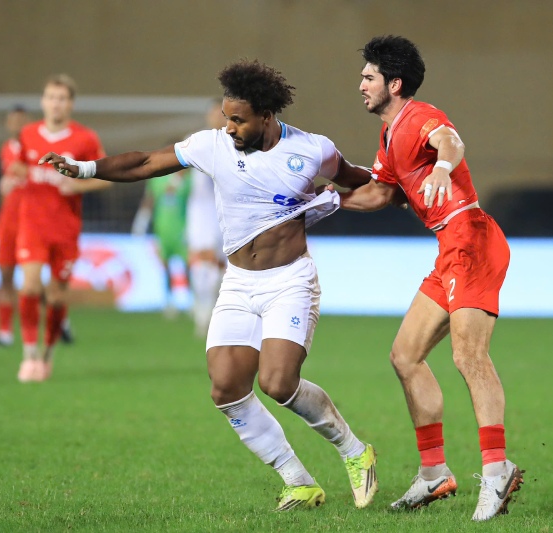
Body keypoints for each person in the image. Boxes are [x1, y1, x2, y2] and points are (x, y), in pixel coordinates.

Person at [40, 60, 378, 511]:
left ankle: (356, 452)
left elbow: (362, 183)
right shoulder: (212, 145)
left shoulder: (312, 151)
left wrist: (353, 198)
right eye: (226, 117)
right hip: (238, 282)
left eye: (238, 119)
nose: (229, 127)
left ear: (266, 115)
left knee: (278, 383)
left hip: (290, 281)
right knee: (226, 387)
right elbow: (145, 162)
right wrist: (82, 169)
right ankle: (297, 480)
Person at [337, 35, 522, 521]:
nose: (360, 85)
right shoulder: (389, 133)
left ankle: (497, 469)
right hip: (450, 248)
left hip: (473, 239)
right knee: (405, 355)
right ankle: (435, 473)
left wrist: (443, 165)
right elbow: (381, 195)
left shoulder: (418, 117)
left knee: (469, 355)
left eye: (368, 77)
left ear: (394, 84)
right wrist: (321, 203)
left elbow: (452, 142)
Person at [14, 74, 110, 382]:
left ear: (71, 104)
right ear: (43, 101)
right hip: (32, 225)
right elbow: (17, 166)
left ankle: (46, 355)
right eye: (50, 97)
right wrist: (12, 175)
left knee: (56, 296)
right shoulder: (27, 134)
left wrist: (79, 186)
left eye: (62, 98)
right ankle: (28, 355)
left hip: (65, 229)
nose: (55, 103)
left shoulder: (85, 139)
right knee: (29, 286)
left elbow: (107, 175)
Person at [186, 99, 227, 336]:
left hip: (226, 212)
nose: (218, 117)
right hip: (201, 213)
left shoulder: (238, 142)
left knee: (223, 267)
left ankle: (217, 311)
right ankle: (202, 309)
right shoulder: (196, 141)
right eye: (214, 113)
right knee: (202, 263)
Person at [0, 105, 30, 347]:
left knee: (32, 281)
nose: (16, 124)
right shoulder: (6, 149)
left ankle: (59, 319)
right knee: (5, 276)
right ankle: (4, 333)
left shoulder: (38, 151)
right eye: (12, 120)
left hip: (31, 223)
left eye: (21, 120)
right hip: (8, 222)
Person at [131, 164, 191, 318]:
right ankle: (169, 302)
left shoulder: (189, 179)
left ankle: (191, 300)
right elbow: (150, 200)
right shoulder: (157, 179)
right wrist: (141, 221)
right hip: (162, 230)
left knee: (188, 266)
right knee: (165, 267)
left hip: (182, 230)